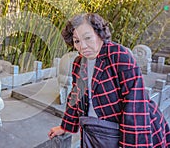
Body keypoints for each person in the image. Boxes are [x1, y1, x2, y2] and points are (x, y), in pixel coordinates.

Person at [48, 13, 170, 148]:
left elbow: (134, 103)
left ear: (99, 34)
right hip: (96, 131)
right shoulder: (78, 63)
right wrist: (65, 126)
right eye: (77, 41)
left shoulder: (118, 55)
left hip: (126, 130)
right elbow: (76, 96)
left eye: (87, 38)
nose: (82, 46)